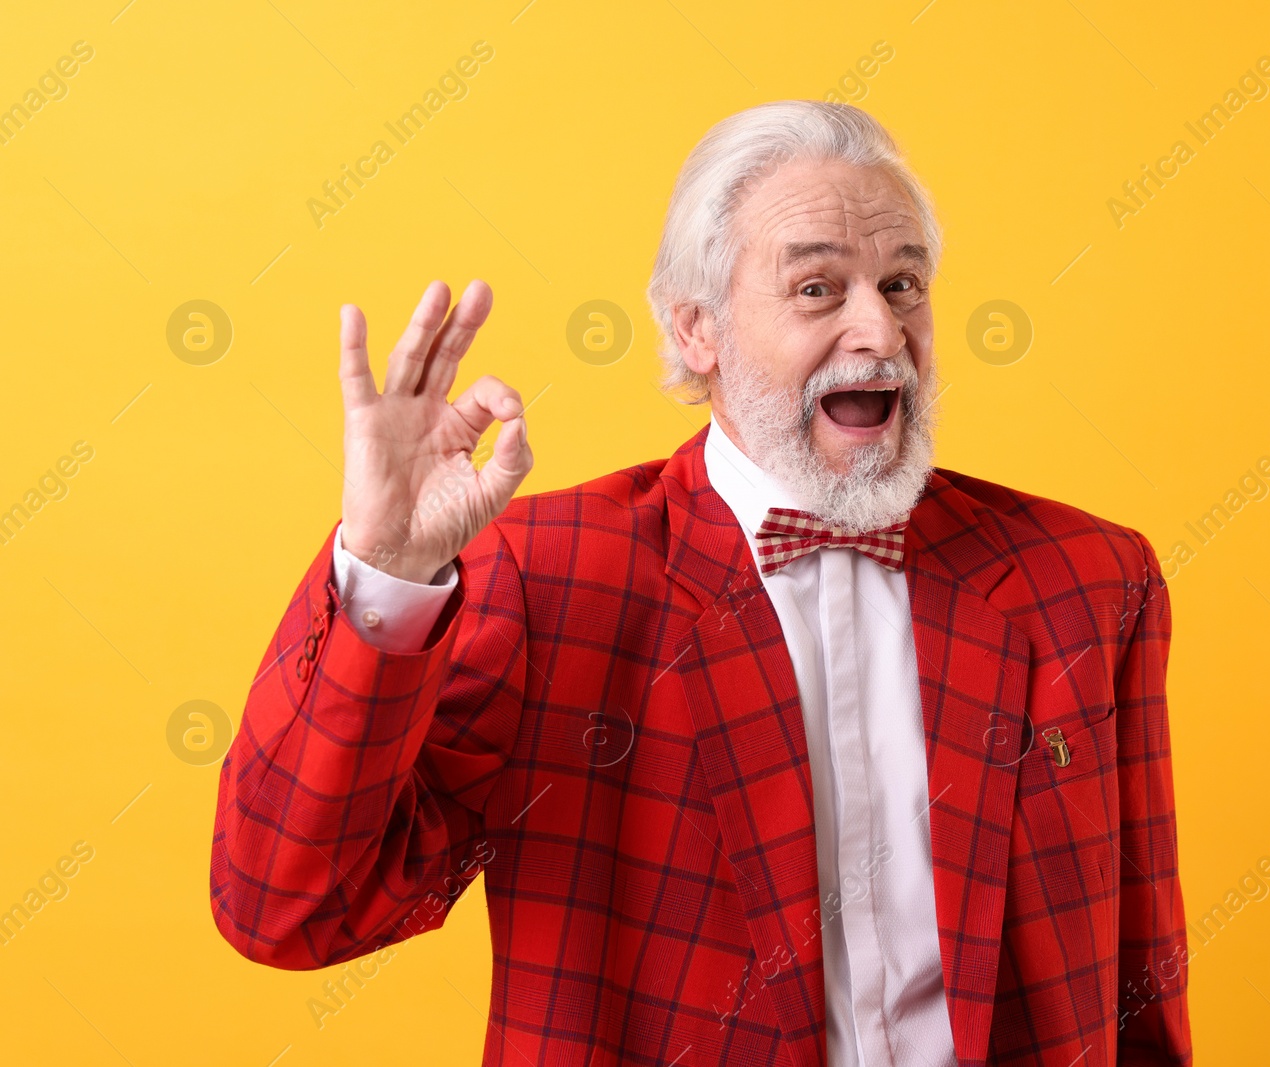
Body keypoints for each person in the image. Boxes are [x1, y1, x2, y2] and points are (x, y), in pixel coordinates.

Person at [210, 100, 1192, 1066]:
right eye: (817, 289)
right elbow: (294, 909)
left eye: (903, 286)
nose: (881, 334)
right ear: (696, 330)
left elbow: (1139, 987)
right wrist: (386, 568)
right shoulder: (553, 577)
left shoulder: (1087, 576)